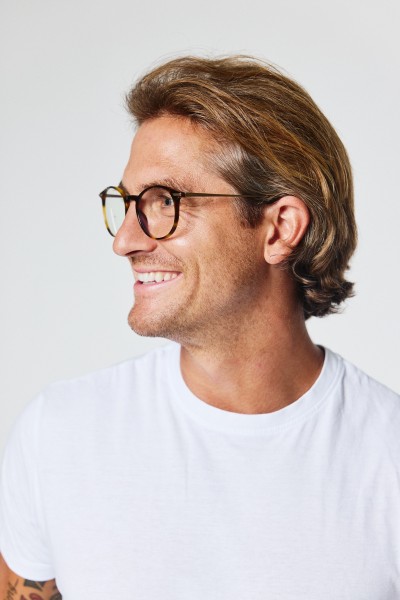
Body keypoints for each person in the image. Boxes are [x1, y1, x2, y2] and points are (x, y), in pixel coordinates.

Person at [0, 56, 399, 600]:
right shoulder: (59, 434)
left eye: (165, 202)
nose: (125, 241)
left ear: (280, 229)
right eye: (128, 204)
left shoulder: (388, 459)